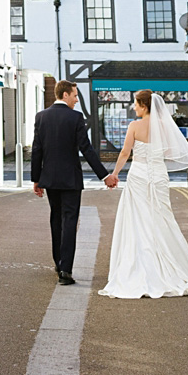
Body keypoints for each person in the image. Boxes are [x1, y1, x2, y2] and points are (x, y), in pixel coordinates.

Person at [98, 89, 188, 299]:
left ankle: (144, 267)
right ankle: (174, 266)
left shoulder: (135, 126)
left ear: (144, 105)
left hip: (139, 175)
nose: (133, 107)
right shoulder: (164, 126)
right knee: (162, 219)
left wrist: (114, 174)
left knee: (138, 221)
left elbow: (126, 152)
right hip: (159, 175)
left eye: (136, 103)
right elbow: (171, 152)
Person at [31, 79, 118, 284]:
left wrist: (36, 179)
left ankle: (58, 262)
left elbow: (37, 150)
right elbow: (86, 149)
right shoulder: (75, 118)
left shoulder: (41, 117)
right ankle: (66, 270)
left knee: (56, 218)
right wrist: (104, 176)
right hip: (70, 180)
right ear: (65, 95)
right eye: (75, 95)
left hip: (50, 179)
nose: (77, 100)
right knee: (70, 221)